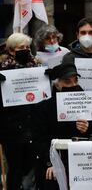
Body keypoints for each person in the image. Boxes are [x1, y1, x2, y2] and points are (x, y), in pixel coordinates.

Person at [35, 63, 92, 189]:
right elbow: (40, 139)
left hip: (85, 160)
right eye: (68, 82)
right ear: (57, 84)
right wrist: (50, 163)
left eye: (75, 81)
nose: (74, 85)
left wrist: (88, 128)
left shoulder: (89, 102)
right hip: (57, 159)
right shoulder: (44, 108)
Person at [0, 33, 40, 189]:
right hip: (11, 128)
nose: (25, 50)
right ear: (11, 50)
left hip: (32, 125)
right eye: (21, 48)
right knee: (15, 168)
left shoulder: (36, 66)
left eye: (27, 47)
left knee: (30, 165)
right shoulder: (3, 69)